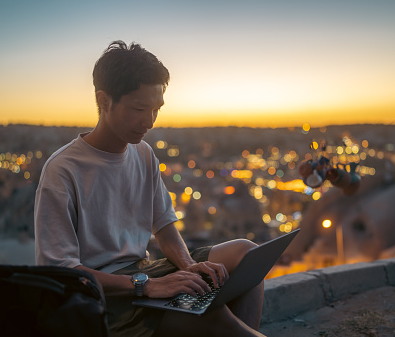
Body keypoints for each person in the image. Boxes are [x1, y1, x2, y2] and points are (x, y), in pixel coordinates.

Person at [34, 40, 265, 337]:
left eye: (156, 109)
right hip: (101, 296)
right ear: (104, 101)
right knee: (209, 312)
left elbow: (165, 227)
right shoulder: (63, 169)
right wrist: (147, 285)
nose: (150, 121)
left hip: (143, 272)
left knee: (248, 256)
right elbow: (64, 273)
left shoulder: (143, 154)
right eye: (139, 108)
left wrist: (187, 265)